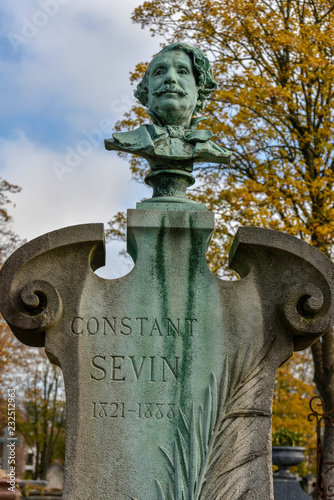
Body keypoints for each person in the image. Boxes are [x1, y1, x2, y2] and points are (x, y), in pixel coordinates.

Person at [105, 42, 231, 166]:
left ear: (199, 90)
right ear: (146, 91)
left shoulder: (212, 150)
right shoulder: (126, 141)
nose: (170, 78)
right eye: (159, 72)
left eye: (182, 71)